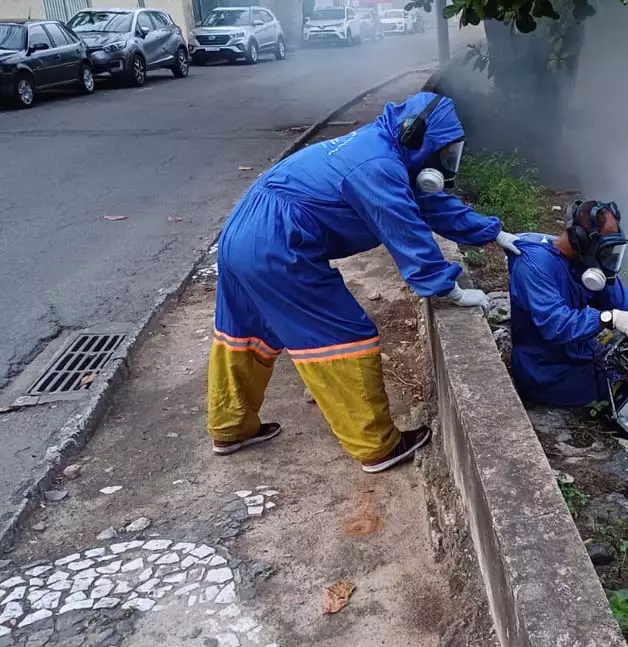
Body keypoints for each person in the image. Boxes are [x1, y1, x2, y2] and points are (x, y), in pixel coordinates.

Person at [207, 91, 521, 473]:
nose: (446, 164)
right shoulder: (378, 167)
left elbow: (428, 204)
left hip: (242, 233)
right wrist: (448, 288)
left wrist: (494, 233)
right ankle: (376, 446)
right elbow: (409, 233)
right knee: (342, 336)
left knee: (245, 332)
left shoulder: (385, 149)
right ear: (417, 136)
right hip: (277, 242)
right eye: (444, 152)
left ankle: (231, 427)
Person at [506, 199, 628, 407]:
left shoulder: (585, 262)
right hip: (546, 371)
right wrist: (608, 318)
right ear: (580, 239)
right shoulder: (534, 265)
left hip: (580, 355)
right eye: (605, 248)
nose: (609, 256)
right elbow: (556, 324)